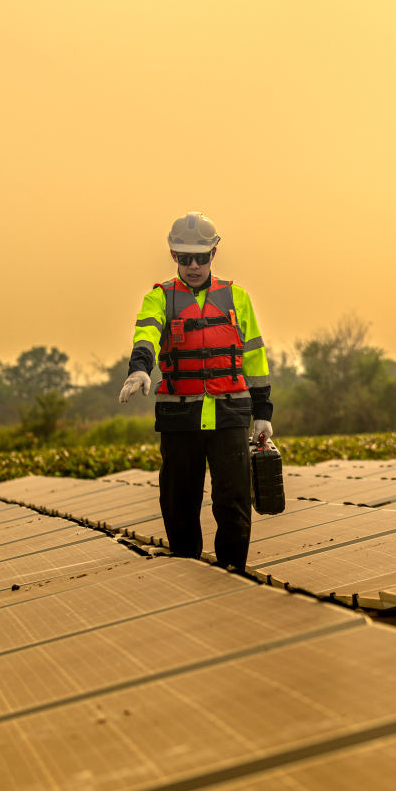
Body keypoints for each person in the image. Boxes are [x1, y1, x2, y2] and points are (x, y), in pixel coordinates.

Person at [118, 212, 273, 569]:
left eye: (200, 257)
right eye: (184, 258)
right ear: (173, 256)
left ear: (213, 254)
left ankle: (233, 572)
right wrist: (139, 369)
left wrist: (263, 414)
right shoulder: (159, 298)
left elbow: (256, 358)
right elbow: (146, 334)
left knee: (233, 501)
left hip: (229, 414)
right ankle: (185, 573)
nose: (192, 265)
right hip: (179, 418)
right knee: (179, 502)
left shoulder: (237, 297)